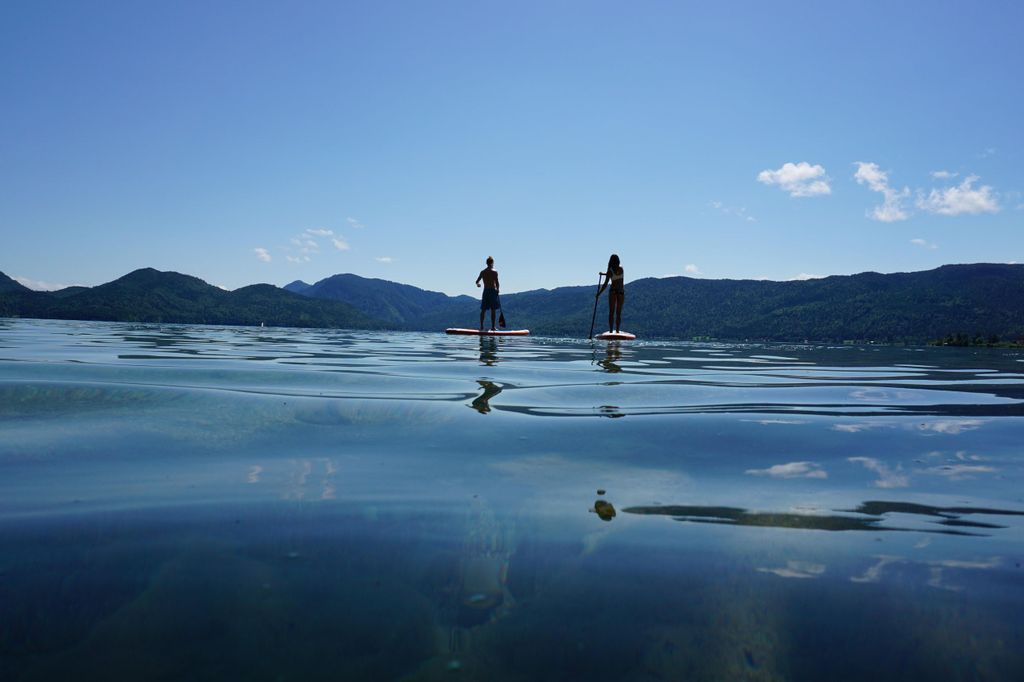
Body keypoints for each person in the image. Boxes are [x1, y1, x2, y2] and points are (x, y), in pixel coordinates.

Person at [596, 254, 624, 333]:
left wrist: (599, 294)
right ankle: (617, 331)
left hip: (613, 291)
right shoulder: (621, 269)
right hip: (621, 292)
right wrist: (605, 273)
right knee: (618, 313)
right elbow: (616, 273)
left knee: (611, 312)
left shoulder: (610, 271)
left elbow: (605, 284)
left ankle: (611, 331)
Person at [476, 256, 500, 331]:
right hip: (492, 291)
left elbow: (477, 281)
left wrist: (478, 285)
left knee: (483, 309)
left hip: (485, 291)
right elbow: (497, 283)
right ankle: (493, 327)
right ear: (492, 263)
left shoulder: (483, 272)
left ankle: (481, 327)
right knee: (493, 309)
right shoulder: (494, 272)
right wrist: (498, 290)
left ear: (486, 263)